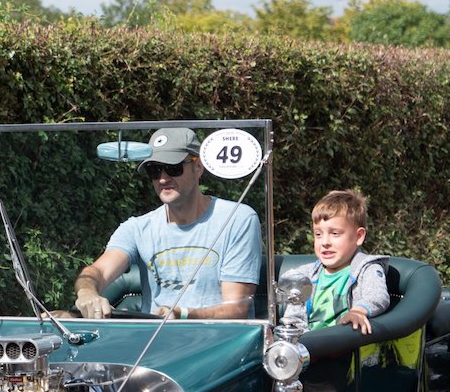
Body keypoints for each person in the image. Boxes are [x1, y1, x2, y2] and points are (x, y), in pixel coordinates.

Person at [74, 127, 261, 319]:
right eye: (154, 170)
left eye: (173, 168)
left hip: (218, 341)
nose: (163, 179)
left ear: (198, 167)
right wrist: (87, 292)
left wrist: (184, 314)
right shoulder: (137, 228)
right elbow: (97, 271)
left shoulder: (238, 219)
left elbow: (236, 309)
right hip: (153, 341)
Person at [280, 189, 389, 333]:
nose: (325, 242)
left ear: (358, 237)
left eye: (335, 234)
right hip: (309, 347)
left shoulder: (366, 269)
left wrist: (358, 311)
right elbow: (294, 318)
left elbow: (377, 296)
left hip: (346, 345)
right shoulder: (304, 276)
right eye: (318, 234)